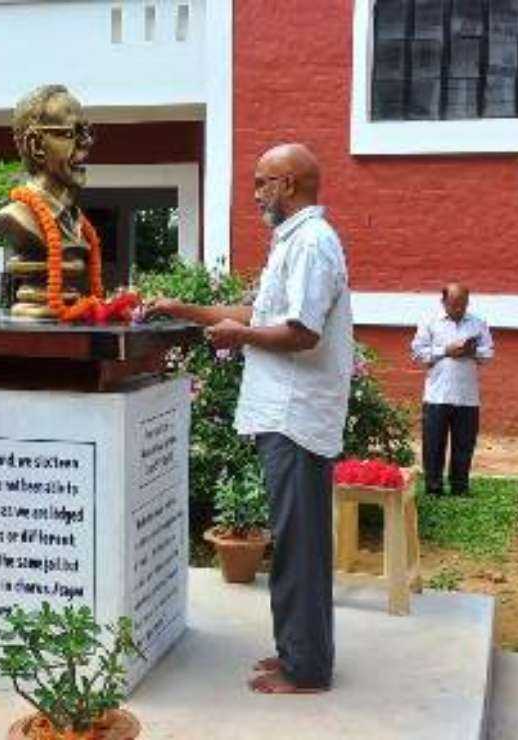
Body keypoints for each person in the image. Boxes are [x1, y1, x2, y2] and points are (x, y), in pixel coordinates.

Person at [149, 143, 353, 693]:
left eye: (262, 182)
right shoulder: (294, 241)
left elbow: (301, 333)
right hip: (282, 414)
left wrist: (239, 338)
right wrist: (182, 310)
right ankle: (297, 653)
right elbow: (261, 316)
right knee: (294, 541)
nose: (256, 192)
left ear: (288, 184)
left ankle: (306, 669)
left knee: (300, 546)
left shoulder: (311, 243)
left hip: (297, 418)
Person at [0, 84, 98, 318]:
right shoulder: (16, 218)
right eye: (72, 133)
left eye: (87, 131)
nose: (86, 143)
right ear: (36, 145)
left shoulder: (74, 219)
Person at [410, 283, 494, 496]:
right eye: (454, 304)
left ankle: (459, 487)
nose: (459, 308)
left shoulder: (478, 323)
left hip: (467, 396)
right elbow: (418, 354)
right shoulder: (430, 322)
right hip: (437, 394)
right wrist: (445, 350)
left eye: (463, 304)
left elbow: (488, 353)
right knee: (433, 444)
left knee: (464, 445)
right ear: (444, 302)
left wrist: (472, 351)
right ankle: (434, 487)